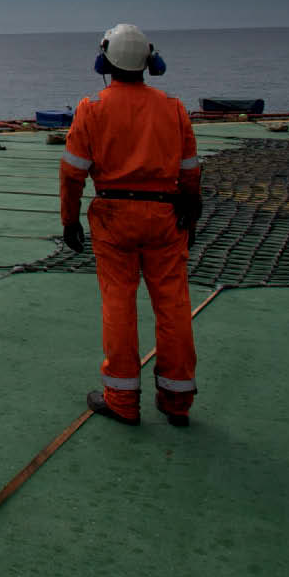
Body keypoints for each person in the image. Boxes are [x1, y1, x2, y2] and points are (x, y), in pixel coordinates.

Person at [59, 24, 202, 427]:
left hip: (114, 220)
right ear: (148, 62)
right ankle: (177, 401)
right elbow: (190, 172)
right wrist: (192, 212)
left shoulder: (93, 108)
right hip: (165, 217)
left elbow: (72, 173)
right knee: (173, 305)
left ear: (104, 61)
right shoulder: (172, 108)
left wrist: (70, 220)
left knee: (119, 304)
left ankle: (122, 400)